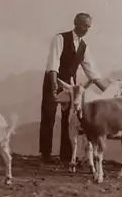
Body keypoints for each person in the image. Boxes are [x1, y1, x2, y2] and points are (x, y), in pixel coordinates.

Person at [38, 12, 107, 165]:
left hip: (71, 85)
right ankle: (45, 153)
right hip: (53, 80)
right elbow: (53, 62)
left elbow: (92, 73)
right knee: (49, 115)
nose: (86, 29)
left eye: (88, 26)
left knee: (68, 119)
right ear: (76, 23)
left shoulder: (84, 47)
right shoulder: (60, 38)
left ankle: (66, 155)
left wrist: (108, 91)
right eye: (84, 25)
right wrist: (54, 83)